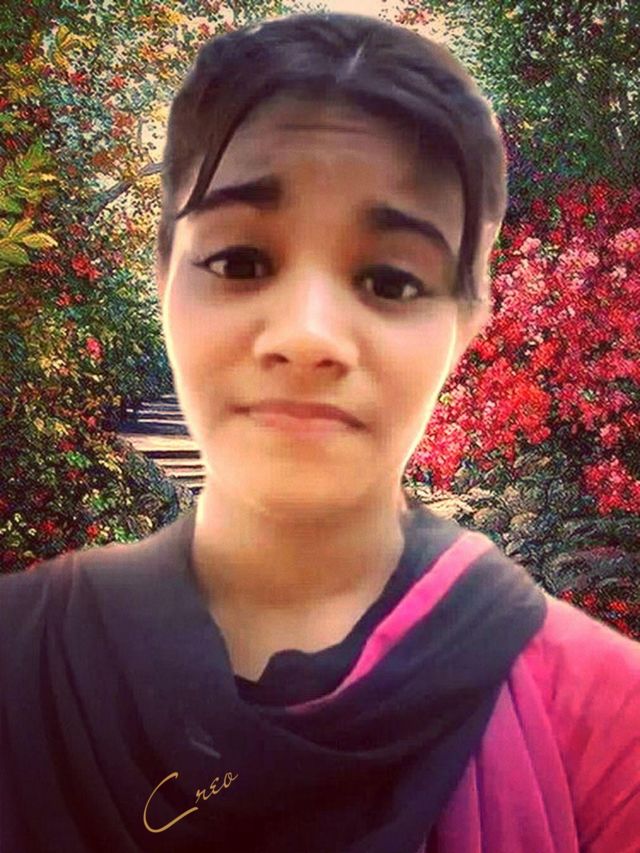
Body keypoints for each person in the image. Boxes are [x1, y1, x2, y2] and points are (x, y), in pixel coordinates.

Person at [1, 11, 639, 853]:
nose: (307, 335)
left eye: (391, 279)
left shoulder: (603, 724)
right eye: (240, 261)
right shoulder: (21, 664)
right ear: (164, 280)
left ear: (466, 320)